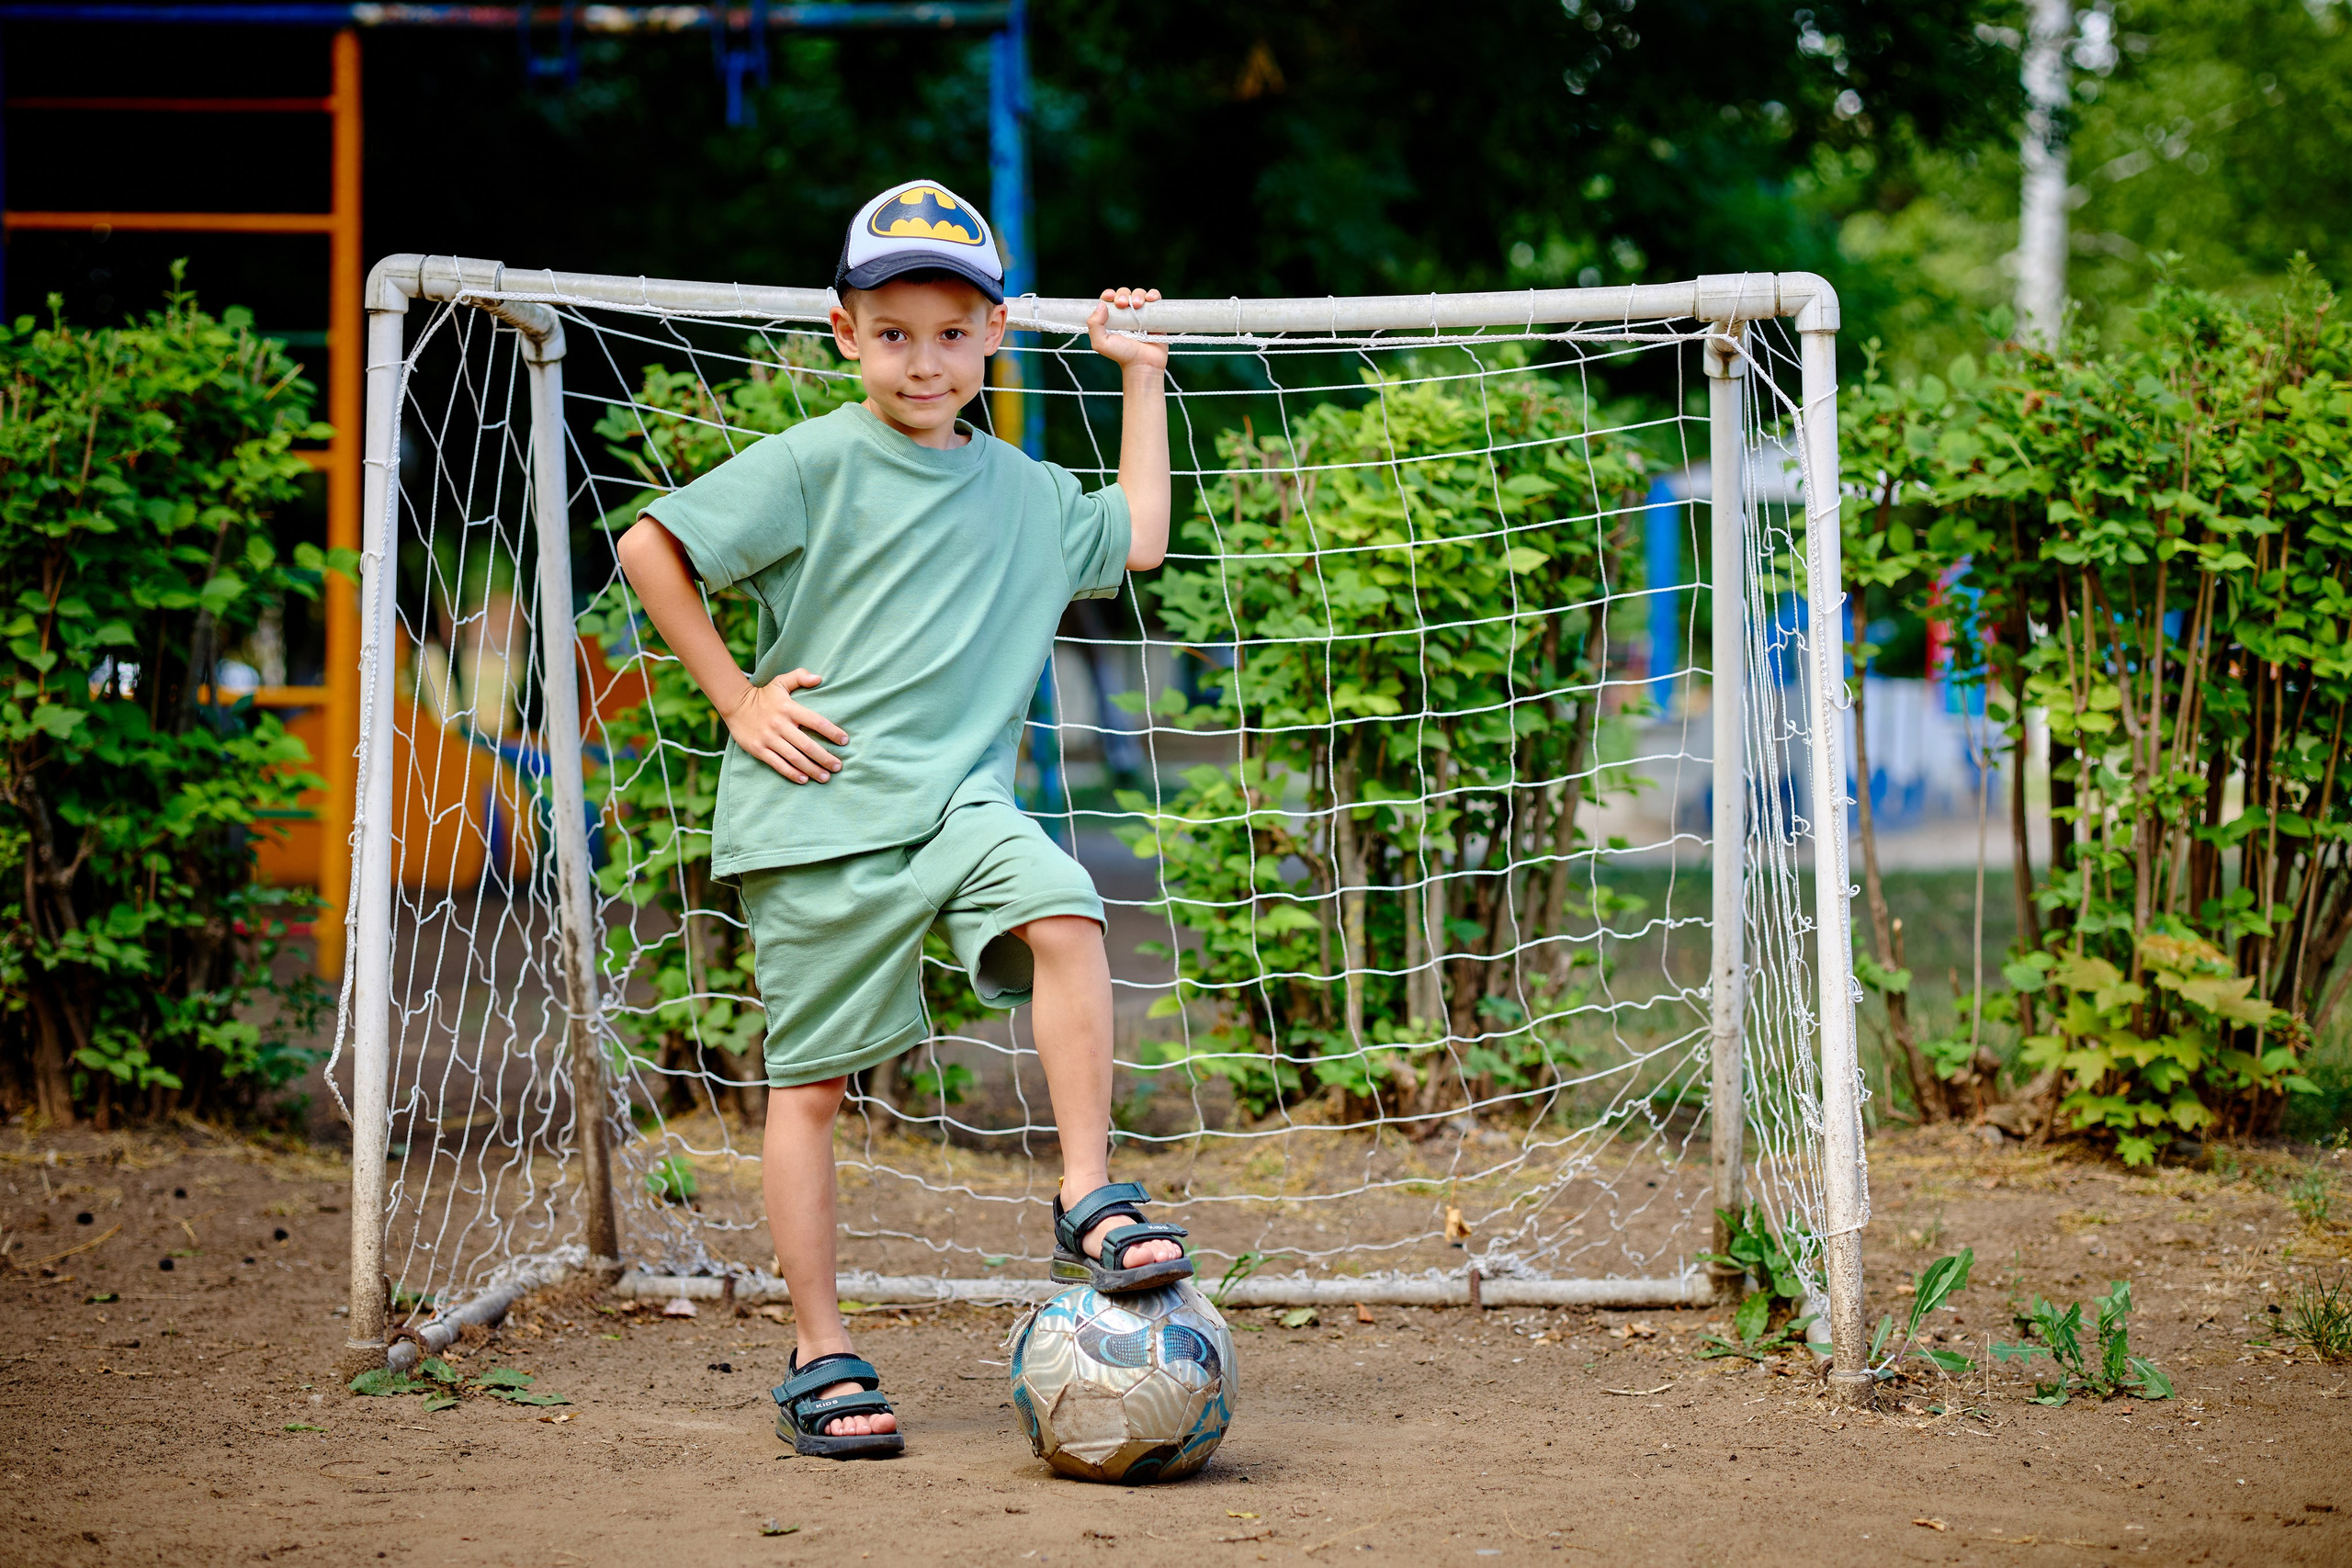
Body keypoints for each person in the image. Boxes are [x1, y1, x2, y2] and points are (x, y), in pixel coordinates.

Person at [615, 178, 1188, 1461]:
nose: (923, 362)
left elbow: (1140, 538)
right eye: (892, 334)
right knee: (813, 1091)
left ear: (994, 337)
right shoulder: (814, 463)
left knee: (1067, 909)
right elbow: (653, 547)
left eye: (950, 334)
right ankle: (819, 1350)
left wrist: (1140, 375)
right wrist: (738, 698)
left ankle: (1086, 1191)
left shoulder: (1027, 493)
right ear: (846, 336)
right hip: (817, 815)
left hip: (957, 806)